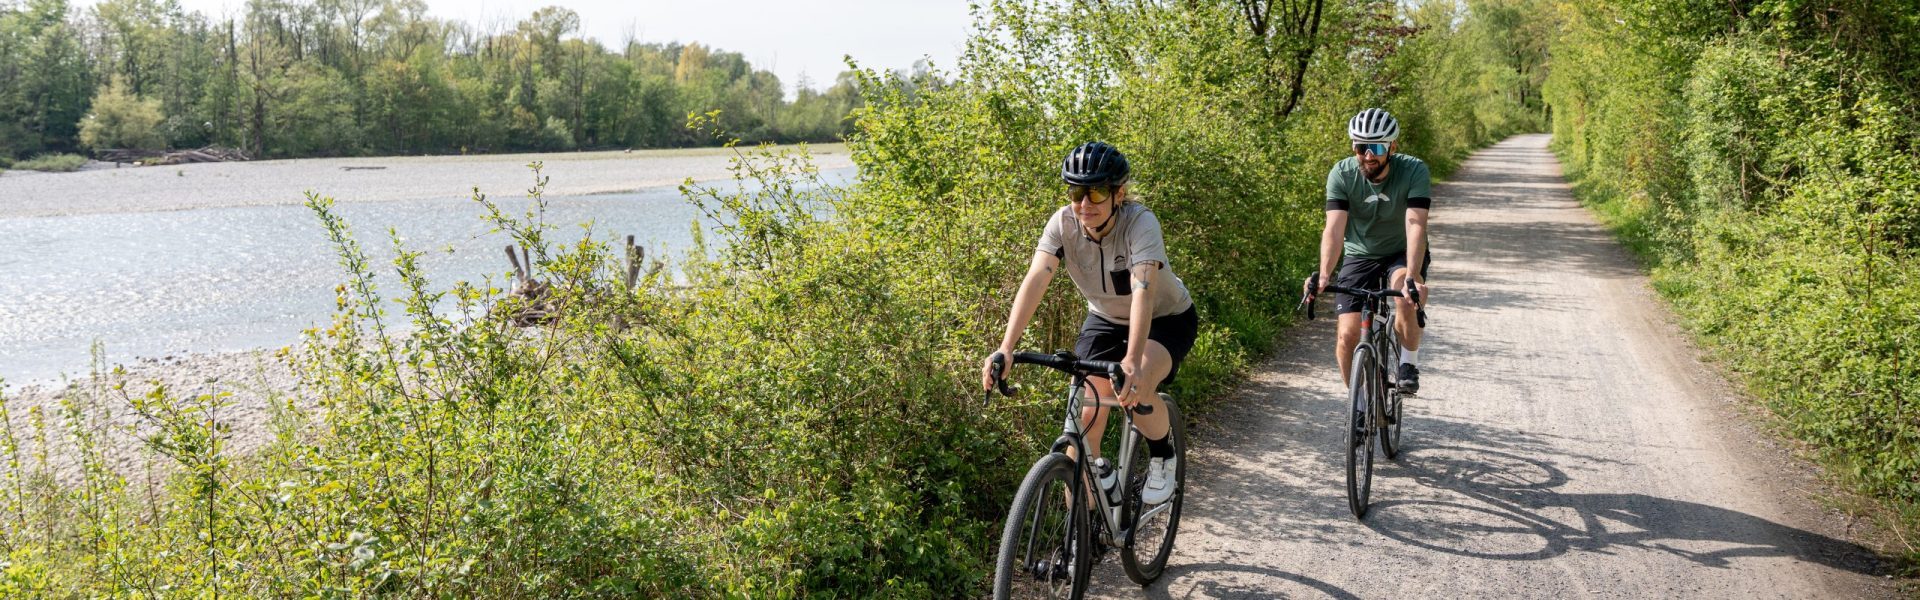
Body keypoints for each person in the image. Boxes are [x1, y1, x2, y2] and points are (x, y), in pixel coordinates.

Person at [980, 141, 1199, 506]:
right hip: (1105, 318)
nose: (1085, 204)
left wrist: (1132, 361)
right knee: (1084, 422)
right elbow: (1037, 278)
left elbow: (1142, 289)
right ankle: (1082, 522)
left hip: (1165, 318)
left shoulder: (1140, 223)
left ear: (1118, 194)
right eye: (1076, 193)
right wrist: (1006, 348)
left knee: (1136, 387)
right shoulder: (1062, 223)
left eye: (1096, 193)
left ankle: (1162, 454)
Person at [1304, 108, 1432, 394]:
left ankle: (1408, 363)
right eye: (1362, 148)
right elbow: (1334, 229)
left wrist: (1412, 277)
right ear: (1354, 147)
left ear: (1392, 148)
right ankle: (1360, 403)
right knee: (1346, 337)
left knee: (1404, 295)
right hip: (1360, 254)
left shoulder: (1414, 171)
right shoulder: (1342, 174)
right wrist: (1323, 274)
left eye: (1377, 148)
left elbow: (1415, 224)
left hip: (1400, 251)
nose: (1369, 156)